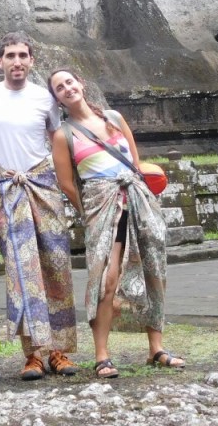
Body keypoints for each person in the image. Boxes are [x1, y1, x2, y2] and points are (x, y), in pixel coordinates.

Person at [47, 68, 185, 378]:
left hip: (137, 200)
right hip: (102, 206)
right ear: (57, 98)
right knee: (106, 279)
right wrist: (90, 211)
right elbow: (67, 183)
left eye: (70, 81)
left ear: (81, 83)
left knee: (153, 270)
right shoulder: (63, 135)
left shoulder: (114, 118)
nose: (67, 88)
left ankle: (156, 348)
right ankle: (102, 354)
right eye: (59, 87)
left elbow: (135, 164)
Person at [0, 32, 78, 380]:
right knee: (22, 272)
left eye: (23, 55)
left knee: (56, 266)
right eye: (10, 55)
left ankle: (59, 350)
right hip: (6, 190)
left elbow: (57, 141)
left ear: (31, 60)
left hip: (43, 186)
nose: (17, 61)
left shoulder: (45, 98)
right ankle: (33, 354)